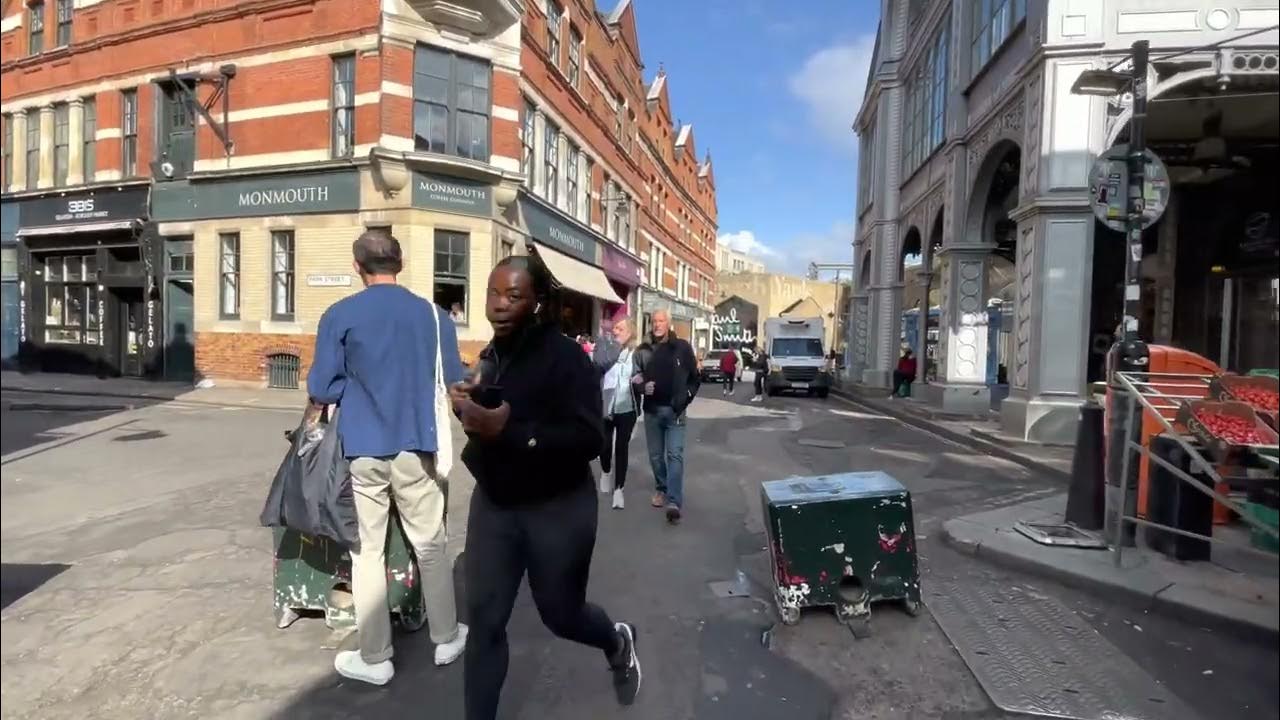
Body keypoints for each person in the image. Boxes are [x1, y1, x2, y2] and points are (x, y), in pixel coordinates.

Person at [450, 256, 641, 720]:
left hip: (557, 509)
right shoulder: (495, 352)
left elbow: (591, 438)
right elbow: (497, 409)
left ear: (537, 302)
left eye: (513, 296)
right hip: (497, 504)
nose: (498, 305)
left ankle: (616, 641)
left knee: (561, 614)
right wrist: (470, 400)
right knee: (485, 625)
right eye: (493, 293)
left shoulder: (566, 359)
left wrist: (509, 431)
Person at [305, 229, 467, 686]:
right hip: (417, 443)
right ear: (400, 262)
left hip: (363, 445)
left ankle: (375, 657)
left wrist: (353, 391)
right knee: (431, 544)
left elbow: (321, 387)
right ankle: (447, 637)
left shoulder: (339, 314)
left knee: (367, 551)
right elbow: (454, 379)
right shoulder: (434, 317)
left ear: (358, 266)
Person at [634, 309, 700, 523]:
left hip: (675, 412)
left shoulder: (681, 348)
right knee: (655, 456)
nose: (657, 325)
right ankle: (661, 488)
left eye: (661, 321)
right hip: (652, 412)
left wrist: (685, 398)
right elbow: (634, 378)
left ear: (668, 323)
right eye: (654, 321)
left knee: (675, 455)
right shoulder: (643, 350)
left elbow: (695, 378)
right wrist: (643, 387)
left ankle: (674, 501)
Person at [594, 318, 641, 509]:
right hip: (607, 406)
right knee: (604, 446)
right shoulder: (604, 346)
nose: (615, 331)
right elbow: (598, 364)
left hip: (627, 407)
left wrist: (641, 379)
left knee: (622, 448)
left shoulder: (636, 354)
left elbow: (643, 372)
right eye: (614, 328)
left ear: (629, 333)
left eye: (620, 329)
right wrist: (611, 346)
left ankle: (619, 490)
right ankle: (606, 471)